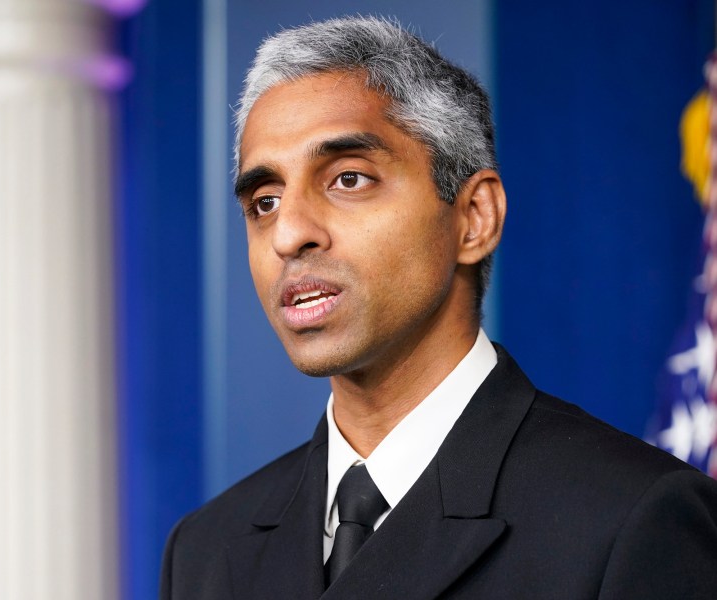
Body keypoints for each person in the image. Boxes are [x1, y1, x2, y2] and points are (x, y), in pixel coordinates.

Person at [160, 16, 717, 599]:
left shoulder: (631, 520)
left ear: (474, 218)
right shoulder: (204, 551)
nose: (288, 233)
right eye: (265, 201)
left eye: (348, 179)